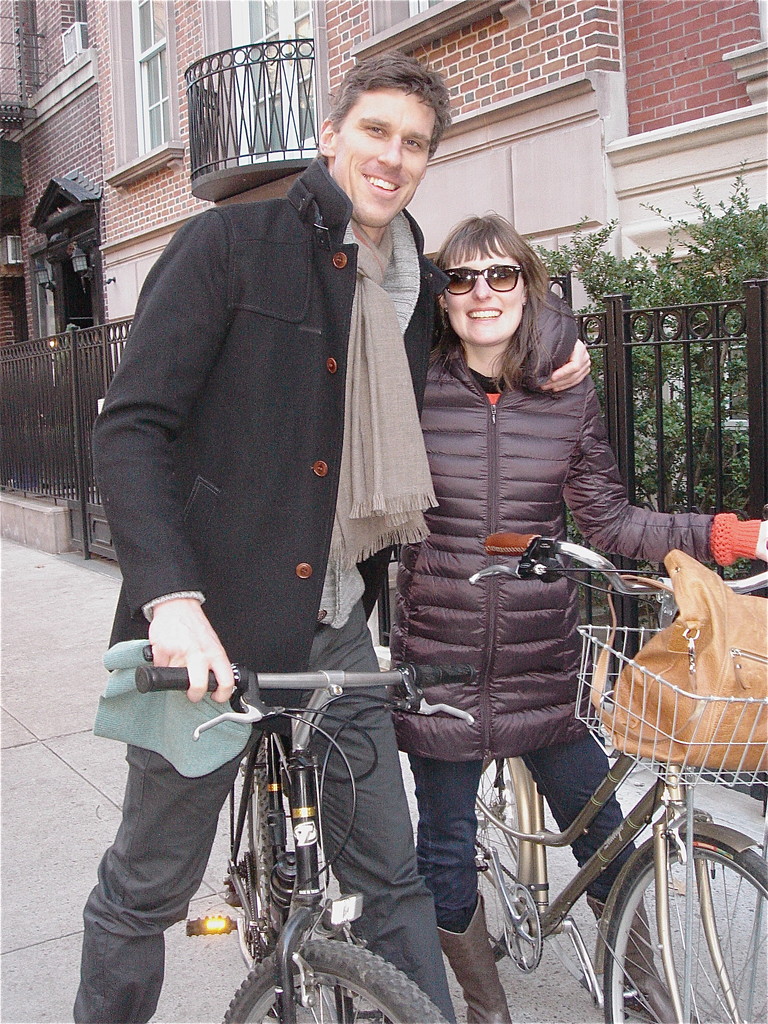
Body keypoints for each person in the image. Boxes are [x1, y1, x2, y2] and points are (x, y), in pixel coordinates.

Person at [74, 55, 591, 1024]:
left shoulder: (410, 275)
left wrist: (563, 340)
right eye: (376, 132)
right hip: (211, 630)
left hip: (335, 626)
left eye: (414, 143)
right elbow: (129, 425)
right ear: (332, 135)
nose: (392, 157)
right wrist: (170, 601)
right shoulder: (230, 243)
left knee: (392, 882)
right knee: (145, 892)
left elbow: (496, 312)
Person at [390, 213, 768, 1024]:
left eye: (501, 276)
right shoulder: (410, 382)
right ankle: (486, 1008)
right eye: (461, 279)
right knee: (446, 856)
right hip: (442, 662)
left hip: (542, 665)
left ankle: (642, 991)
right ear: (441, 297)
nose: (481, 292)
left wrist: (732, 535)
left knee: (604, 838)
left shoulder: (566, 394)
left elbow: (611, 522)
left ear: (529, 289)